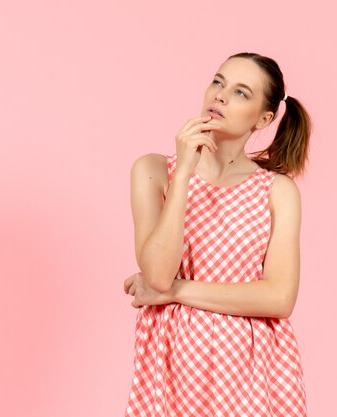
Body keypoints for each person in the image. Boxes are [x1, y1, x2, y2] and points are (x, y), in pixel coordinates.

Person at [123, 51, 312, 416]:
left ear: (264, 118)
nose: (220, 95)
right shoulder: (153, 171)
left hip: (251, 370)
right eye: (218, 82)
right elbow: (159, 273)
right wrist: (184, 175)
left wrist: (176, 291)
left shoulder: (277, 192)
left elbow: (279, 298)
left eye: (241, 92)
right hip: (173, 363)